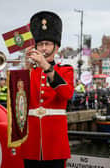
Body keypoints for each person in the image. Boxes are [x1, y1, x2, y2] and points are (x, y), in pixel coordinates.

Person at [21, 11, 74, 168]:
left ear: (56, 47)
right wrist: (26, 69)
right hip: (31, 143)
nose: (43, 48)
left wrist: (46, 67)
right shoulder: (30, 71)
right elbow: (18, 100)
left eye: (48, 44)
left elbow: (67, 93)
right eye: (40, 44)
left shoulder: (65, 70)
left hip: (55, 143)